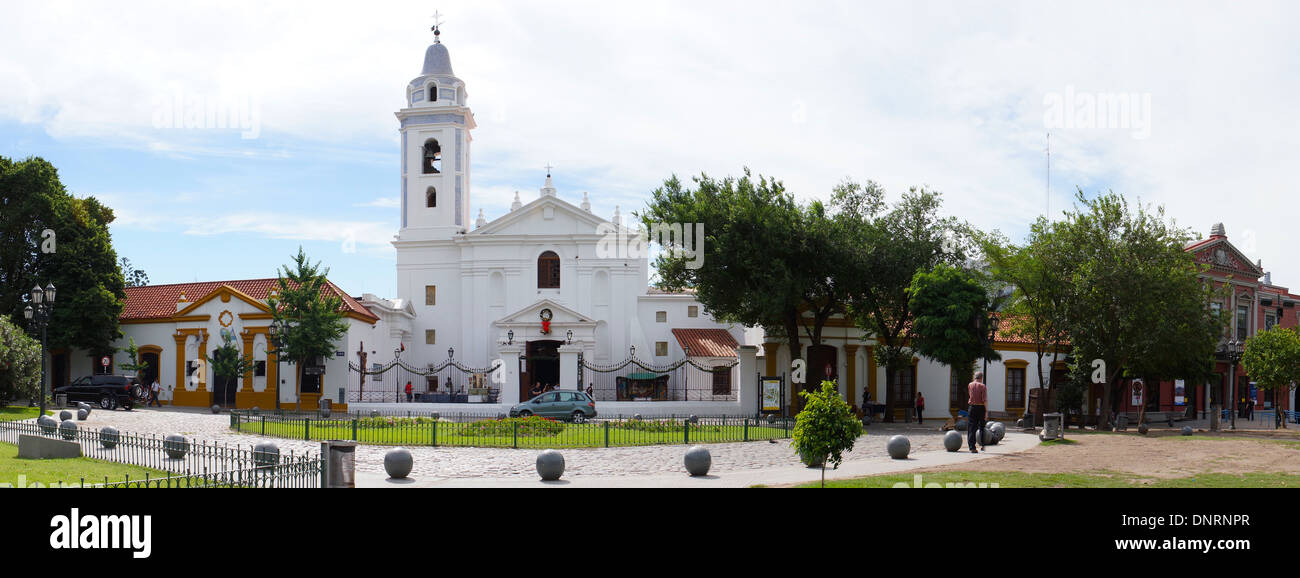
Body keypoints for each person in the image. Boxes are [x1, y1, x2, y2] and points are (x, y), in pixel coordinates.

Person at [967, 371, 988, 453]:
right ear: (981, 378)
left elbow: (970, 395)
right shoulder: (983, 386)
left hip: (972, 407)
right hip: (980, 407)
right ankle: (982, 445)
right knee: (982, 427)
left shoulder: (970, 385)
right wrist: (986, 411)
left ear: (975, 377)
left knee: (971, 428)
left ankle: (972, 447)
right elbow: (984, 400)